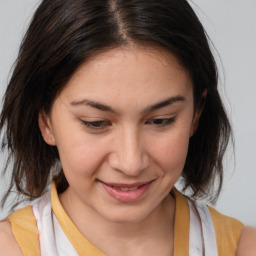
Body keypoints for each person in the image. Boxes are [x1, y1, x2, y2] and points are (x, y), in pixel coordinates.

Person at [0, 0, 255, 255]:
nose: (131, 163)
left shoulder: (242, 248)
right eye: (95, 123)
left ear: (196, 114)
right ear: (45, 120)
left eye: (161, 120)